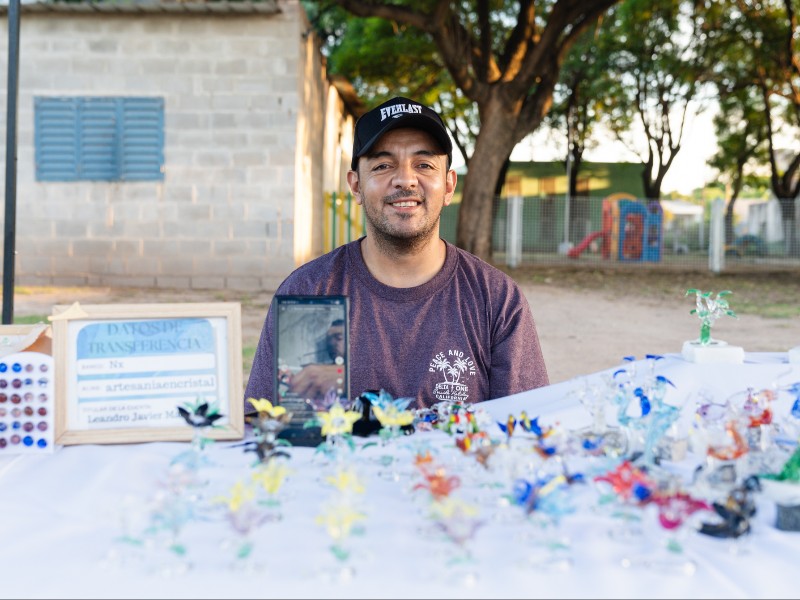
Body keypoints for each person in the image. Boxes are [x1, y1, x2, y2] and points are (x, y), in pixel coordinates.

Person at [245, 96, 549, 411]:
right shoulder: (309, 294)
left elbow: (523, 435)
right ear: (356, 186)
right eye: (383, 165)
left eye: (424, 164)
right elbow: (279, 433)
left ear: (448, 185)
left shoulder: (495, 300)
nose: (405, 179)